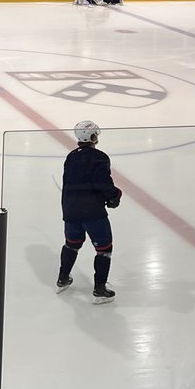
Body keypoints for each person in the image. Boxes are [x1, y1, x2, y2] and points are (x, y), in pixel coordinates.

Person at [57, 121, 121, 304]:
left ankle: (62, 278)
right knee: (104, 249)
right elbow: (103, 182)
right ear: (93, 137)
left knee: (72, 244)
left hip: (71, 210)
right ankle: (100, 289)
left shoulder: (71, 157)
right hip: (93, 212)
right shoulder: (99, 157)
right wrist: (115, 196)